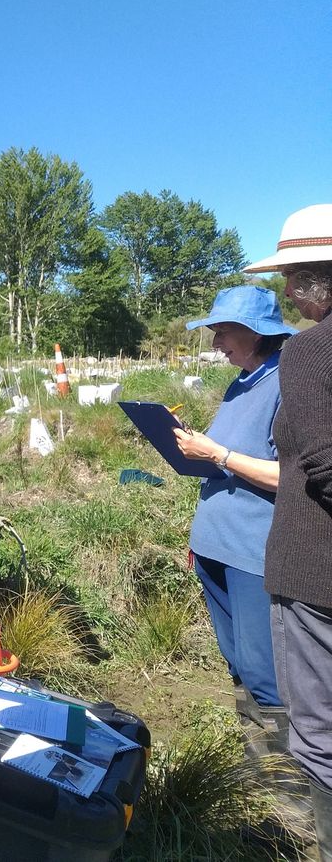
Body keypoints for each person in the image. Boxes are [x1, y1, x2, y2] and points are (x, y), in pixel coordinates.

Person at [172, 286, 295, 758]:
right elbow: (225, 467)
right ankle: (256, 759)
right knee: (236, 663)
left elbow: (290, 476)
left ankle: (291, 790)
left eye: (224, 331)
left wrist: (216, 453)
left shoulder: (287, 383)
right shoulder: (239, 383)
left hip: (254, 552)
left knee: (264, 669)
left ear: (257, 333)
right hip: (213, 545)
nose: (216, 341)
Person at [243, 204, 332, 856]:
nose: (287, 293)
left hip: (316, 574)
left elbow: (325, 463)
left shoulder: (309, 351)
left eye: (294, 279)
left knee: (322, 731)